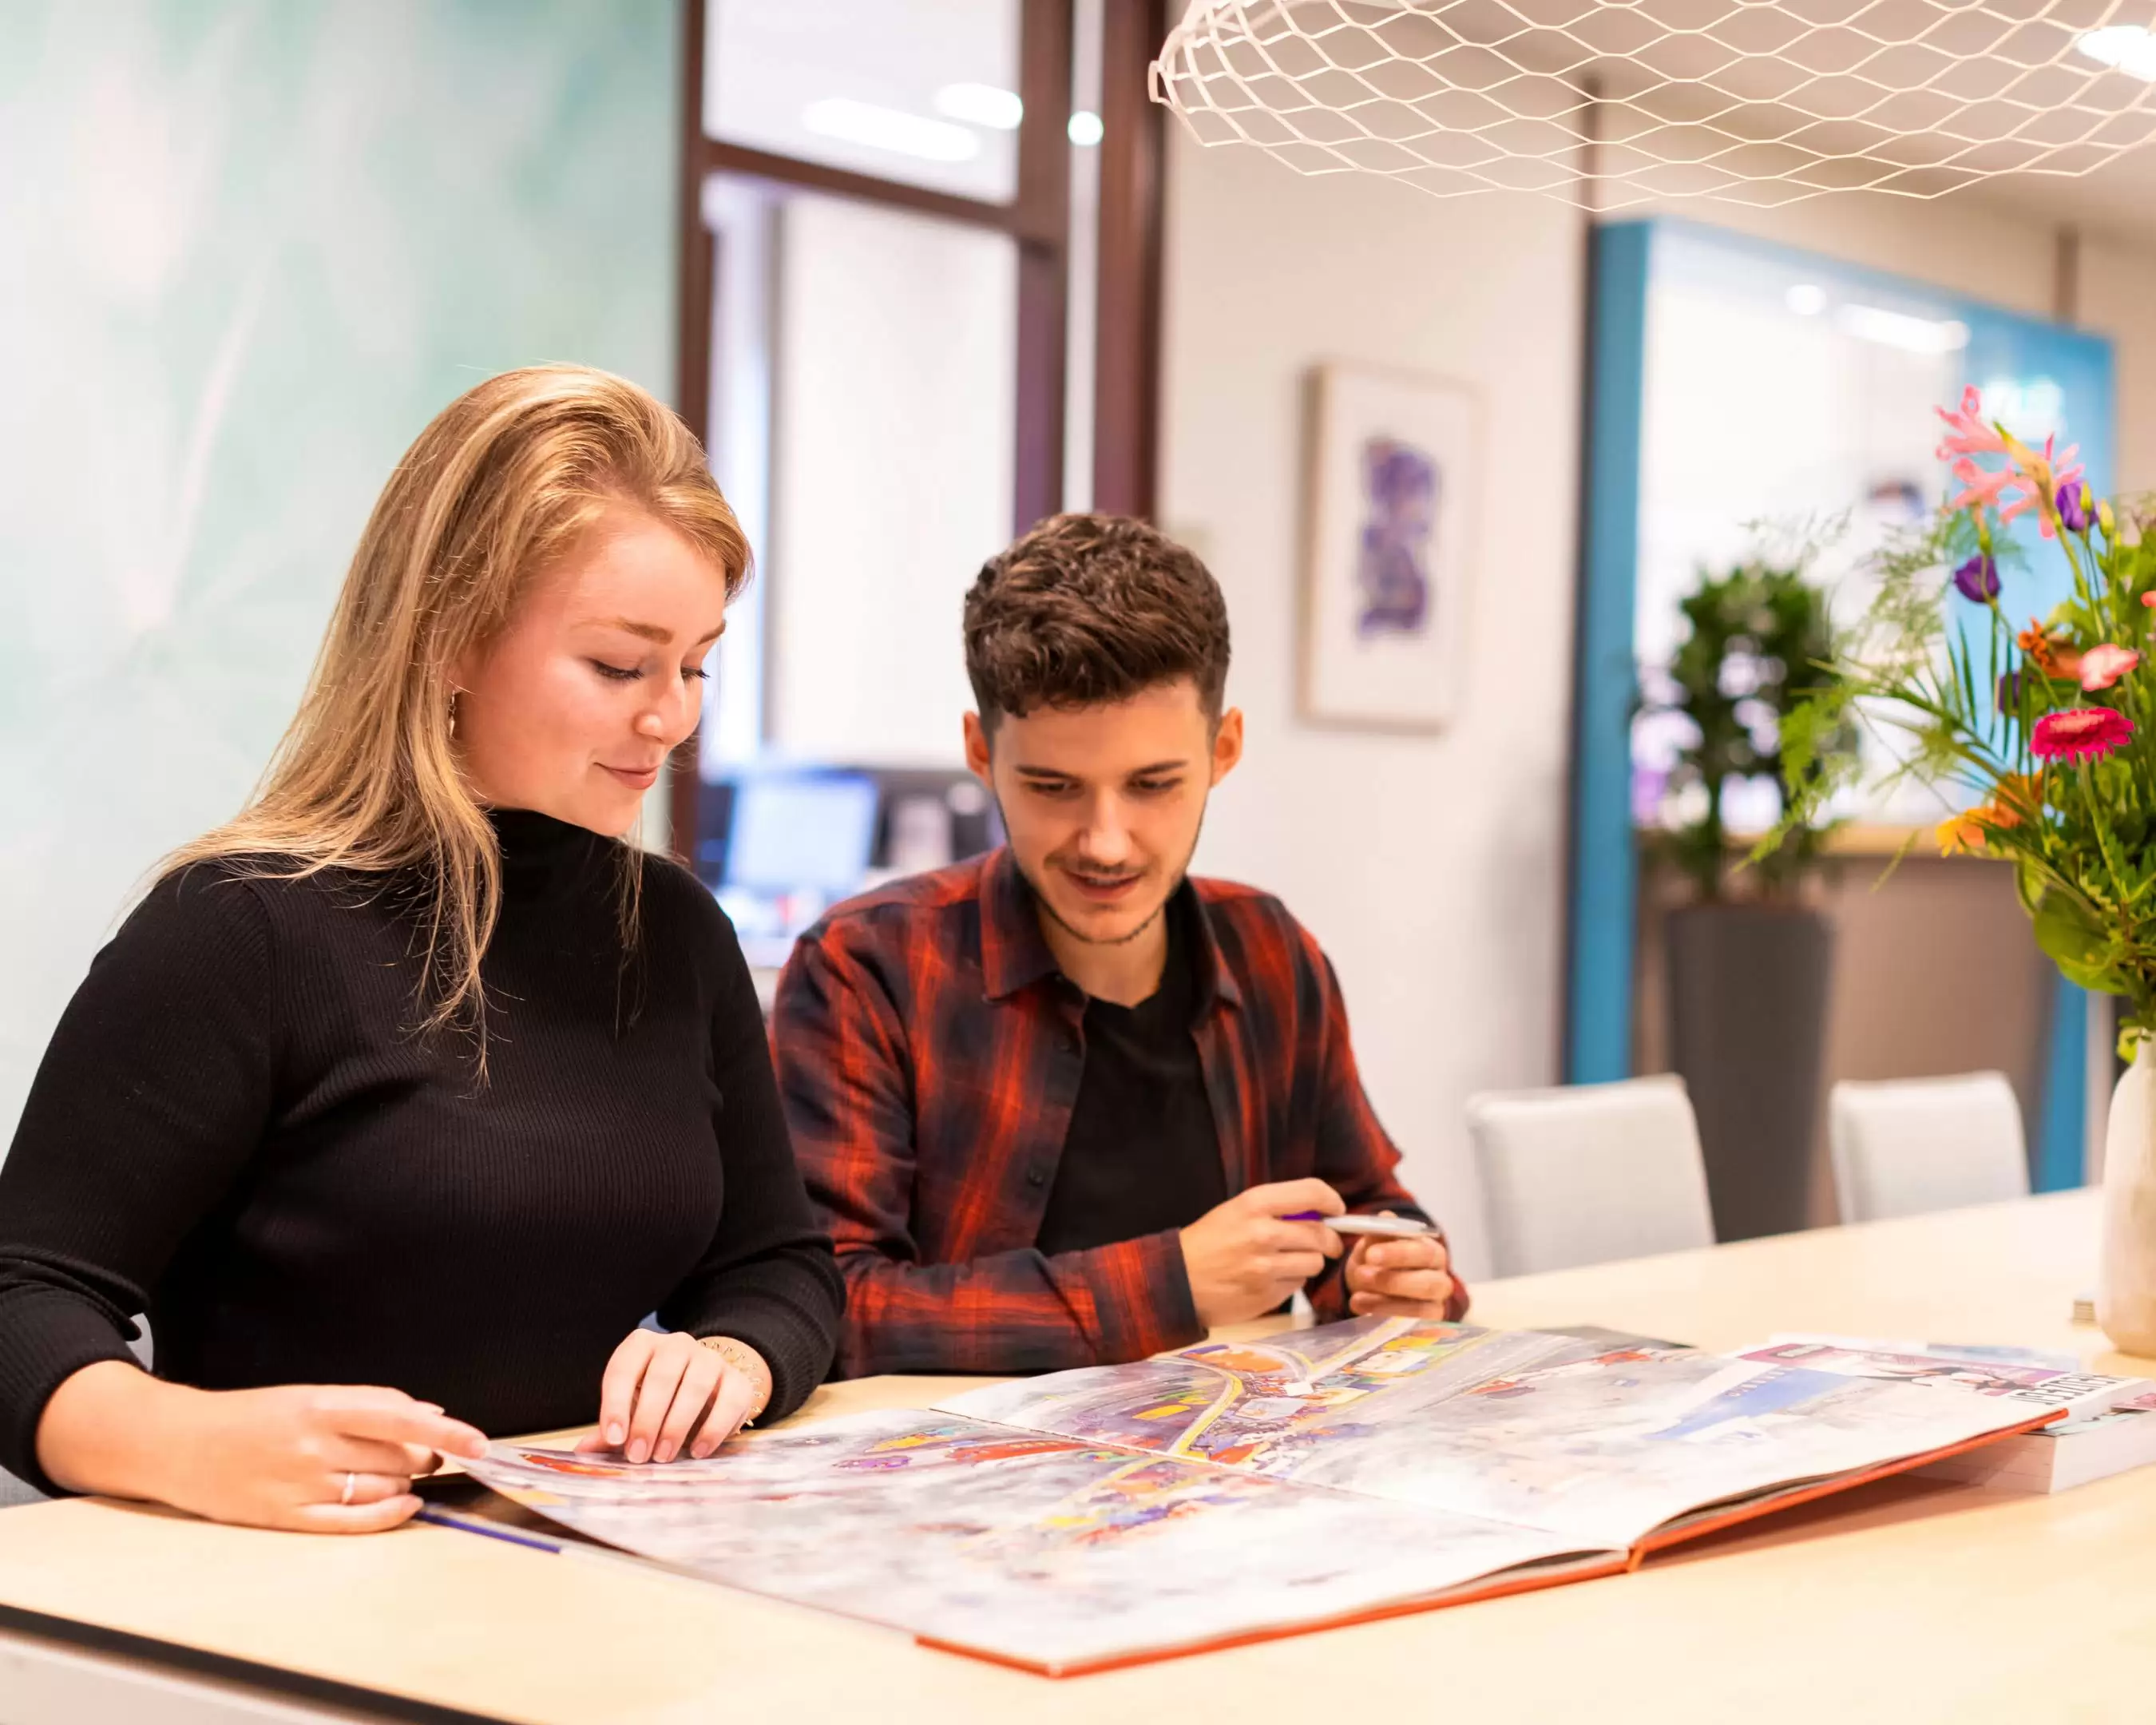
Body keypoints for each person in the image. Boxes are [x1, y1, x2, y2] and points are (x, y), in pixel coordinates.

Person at [0, 366, 842, 1531]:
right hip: (272, 1601)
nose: (674, 718)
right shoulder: (244, 924)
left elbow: (781, 1268)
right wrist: (179, 1439)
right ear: (449, 635)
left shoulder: (677, 934)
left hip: (566, 1579)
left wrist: (737, 1357)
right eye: (618, 665)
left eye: (695, 665)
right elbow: (21, 1294)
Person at [772, 512, 1464, 1378]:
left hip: (1234, 1468)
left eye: (1153, 786)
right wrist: (1173, 1282)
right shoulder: (867, 970)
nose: (1106, 841)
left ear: (1224, 750)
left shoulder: (1272, 954)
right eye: (1053, 786)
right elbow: (830, 1305)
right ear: (982, 754)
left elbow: (1368, 1210)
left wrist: (1392, 1275)